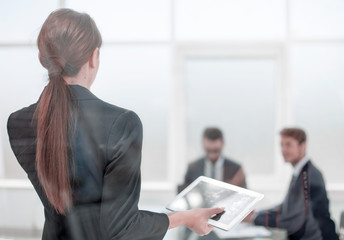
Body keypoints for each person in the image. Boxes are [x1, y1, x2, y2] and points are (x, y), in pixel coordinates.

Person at [6, 8, 224, 240]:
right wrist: (187, 217)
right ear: (94, 57)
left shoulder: (18, 123)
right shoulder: (122, 124)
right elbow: (121, 229)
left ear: (42, 58)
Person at [246, 128, 339, 240]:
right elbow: (285, 207)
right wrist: (258, 214)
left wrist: (254, 219)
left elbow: (292, 219)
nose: (283, 150)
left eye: (288, 145)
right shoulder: (300, 173)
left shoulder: (309, 176)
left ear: (303, 146)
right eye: (282, 145)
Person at [179, 127, 247, 193]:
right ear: (203, 144)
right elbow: (185, 194)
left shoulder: (235, 169)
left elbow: (244, 196)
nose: (212, 155)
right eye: (208, 150)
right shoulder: (193, 167)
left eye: (215, 150)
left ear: (223, 144)